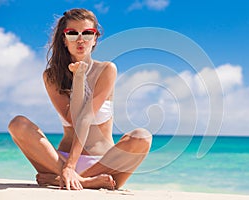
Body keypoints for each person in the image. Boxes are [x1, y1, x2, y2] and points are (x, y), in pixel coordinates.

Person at [8, 8, 152, 190]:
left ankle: (67, 178)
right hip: (59, 161)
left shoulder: (106, 70)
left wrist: (71, 168)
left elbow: (86, 116)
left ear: (95, 38)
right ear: (64, 38)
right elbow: (73, 120)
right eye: (73, 33)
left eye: (87, 33)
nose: (80, 39)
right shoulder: (52, 76)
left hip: (102, 165)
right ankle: (82, 182)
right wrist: (78, 78)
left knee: (142, 137)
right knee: (17, 124)